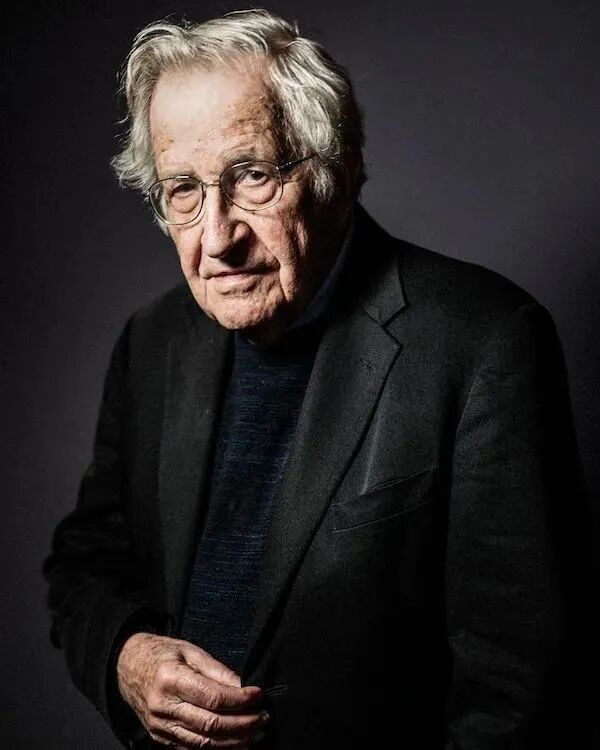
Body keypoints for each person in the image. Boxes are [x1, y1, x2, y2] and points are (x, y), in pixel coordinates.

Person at [44, 9, 591, 750]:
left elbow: (518, 688)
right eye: (183, 190)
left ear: (339, 169)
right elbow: (85, 564)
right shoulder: (151, 340)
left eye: (252, 175)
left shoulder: (485, 342)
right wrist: (124, 657)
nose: (217, 238)